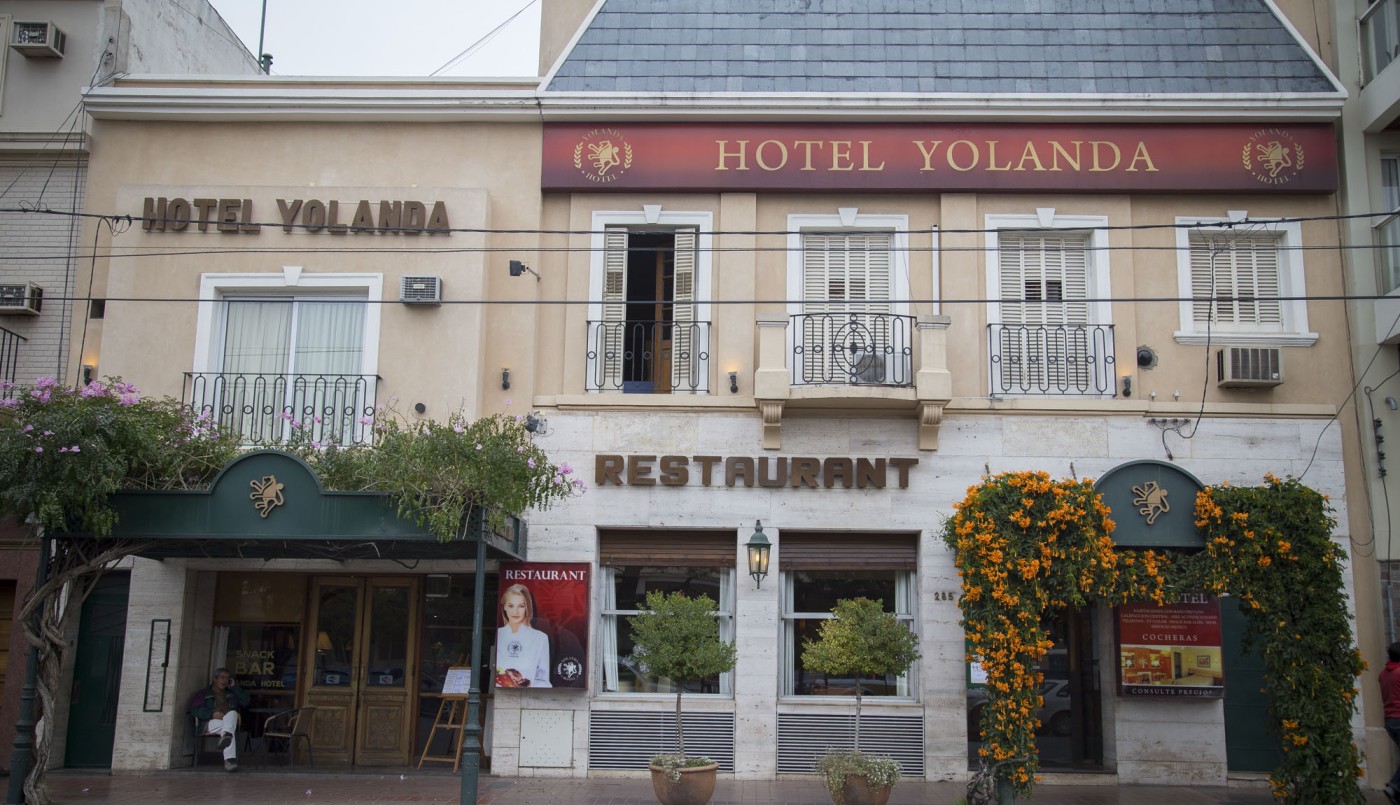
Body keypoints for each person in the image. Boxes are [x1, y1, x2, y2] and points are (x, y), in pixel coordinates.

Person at [188, 667, 250, 771]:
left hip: (227, 721)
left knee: (232, 714)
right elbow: (195, 710)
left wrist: (234, 687)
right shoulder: (203, 693)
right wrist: (212, 714)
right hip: (209, 722)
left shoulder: (230, 692)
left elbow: (246, 701)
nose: (225, 680)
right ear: (214, 679)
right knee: (229, 729)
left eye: (227, 678)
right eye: (222, 677)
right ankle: (230, 761)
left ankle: (227, 740)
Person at [495, 583, 551, 688]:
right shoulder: (498, 634)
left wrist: (528, 686)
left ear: (527, 608)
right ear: (504, 607)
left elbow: (544, 681)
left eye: (521, 606)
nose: (515, 611)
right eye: (511, 605)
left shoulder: (540, 638)